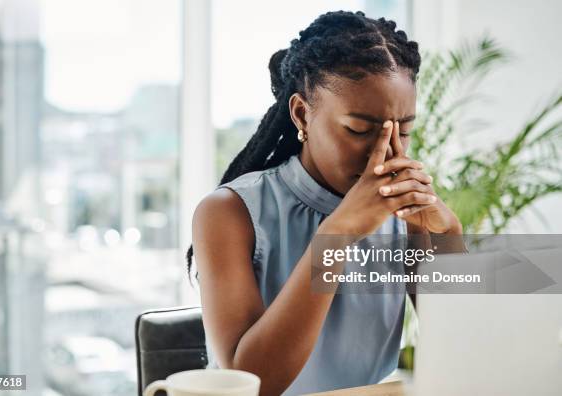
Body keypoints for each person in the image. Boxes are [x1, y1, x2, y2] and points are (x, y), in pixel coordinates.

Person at [187, 10, 463, 395]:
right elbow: (254, 384)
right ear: (302, 114)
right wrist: (337, 234)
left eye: (405, 131)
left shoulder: (402, 213)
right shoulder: (229, 213)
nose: (386, 154)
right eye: (359, 130)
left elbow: (465, 351)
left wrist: (446, 236)